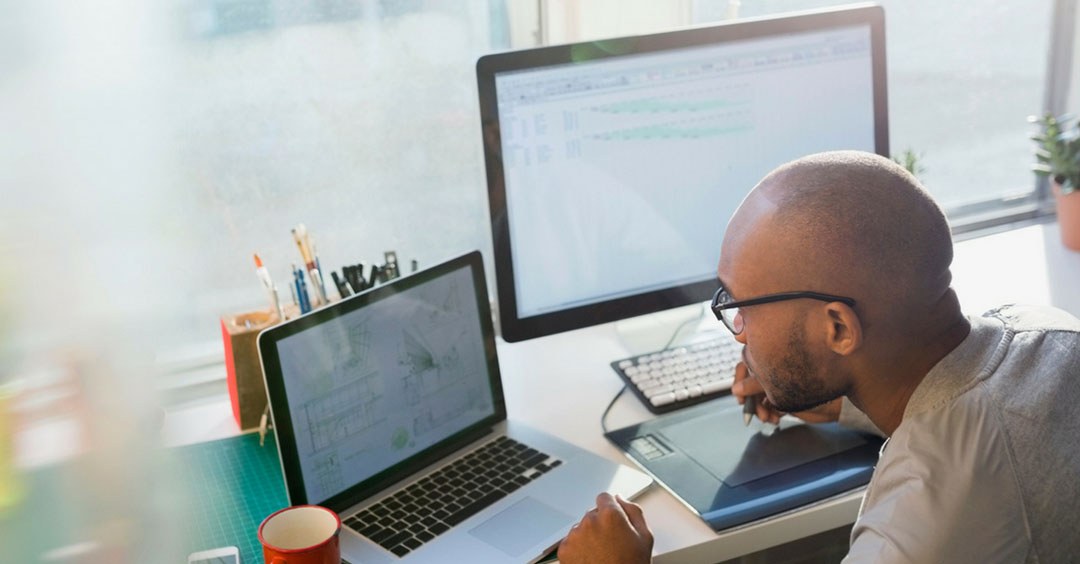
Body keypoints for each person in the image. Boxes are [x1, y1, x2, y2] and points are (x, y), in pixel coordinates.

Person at [557, 150, 1080, 563]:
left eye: (741, 306)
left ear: (837, 327)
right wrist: (844, 400)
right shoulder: (1053, 331)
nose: (737, 331)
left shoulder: (914, 536)